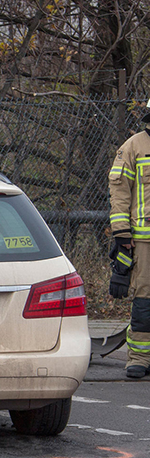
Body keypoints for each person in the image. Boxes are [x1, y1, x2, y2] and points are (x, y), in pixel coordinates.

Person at [108, 113, 150, 379]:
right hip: (144, 238)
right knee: (145, 297)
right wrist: (122, 232)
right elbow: (120, 190)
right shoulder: (134, 146)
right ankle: (140, 357)